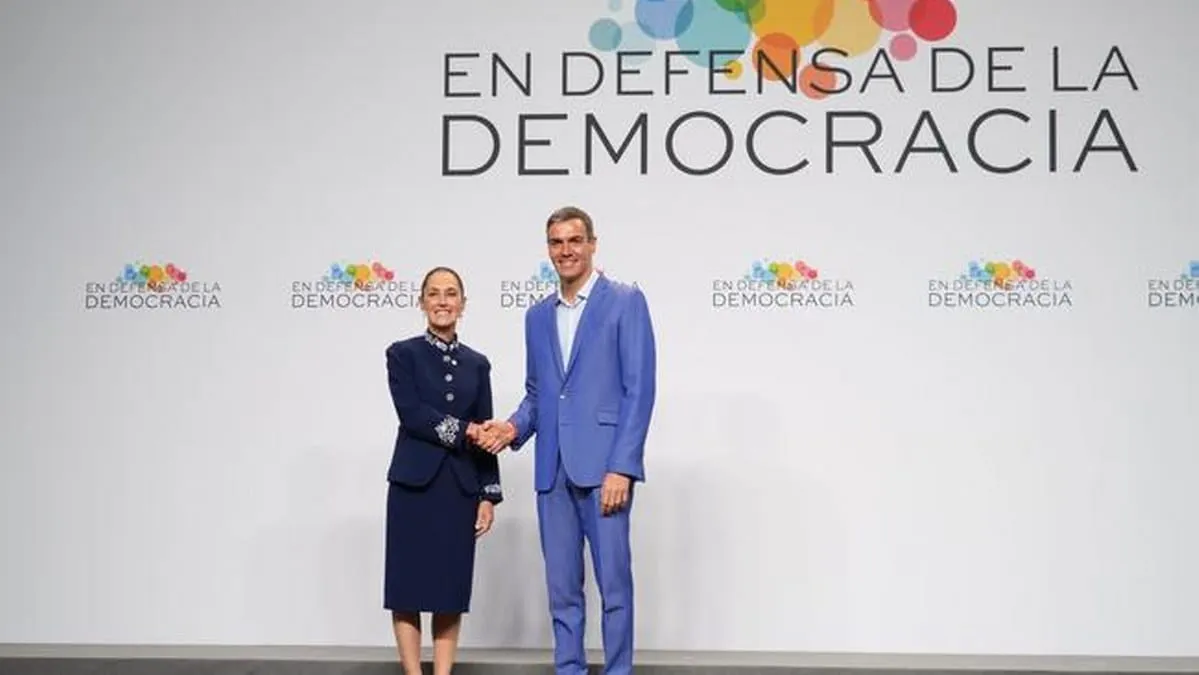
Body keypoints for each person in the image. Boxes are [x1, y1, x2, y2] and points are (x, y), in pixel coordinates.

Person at [476, 206, 657, 675]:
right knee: (562, 591)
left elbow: (639, 390)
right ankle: (569, 670)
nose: (566, 251)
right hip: (552, 469)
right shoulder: (537, 316)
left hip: (605, 471)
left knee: (614, 588)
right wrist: (513, 427)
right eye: (556, 243)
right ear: (548, 250)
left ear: (593, 244)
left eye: (575, 240)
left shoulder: (625, 301)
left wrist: (623, 465)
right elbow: (540, 393)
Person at [382, 266, 503, 675]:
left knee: (450, 590)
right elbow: (412, 414)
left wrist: (488, 494)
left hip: (459, 488)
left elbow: (485, 428)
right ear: (422, 302)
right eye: (434, 293)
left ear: (463, 304)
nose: (442, 301)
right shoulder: (402, 354)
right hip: (413, 486)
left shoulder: (478, 363)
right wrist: (464, 430)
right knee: (407, 588)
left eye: (451, 293)